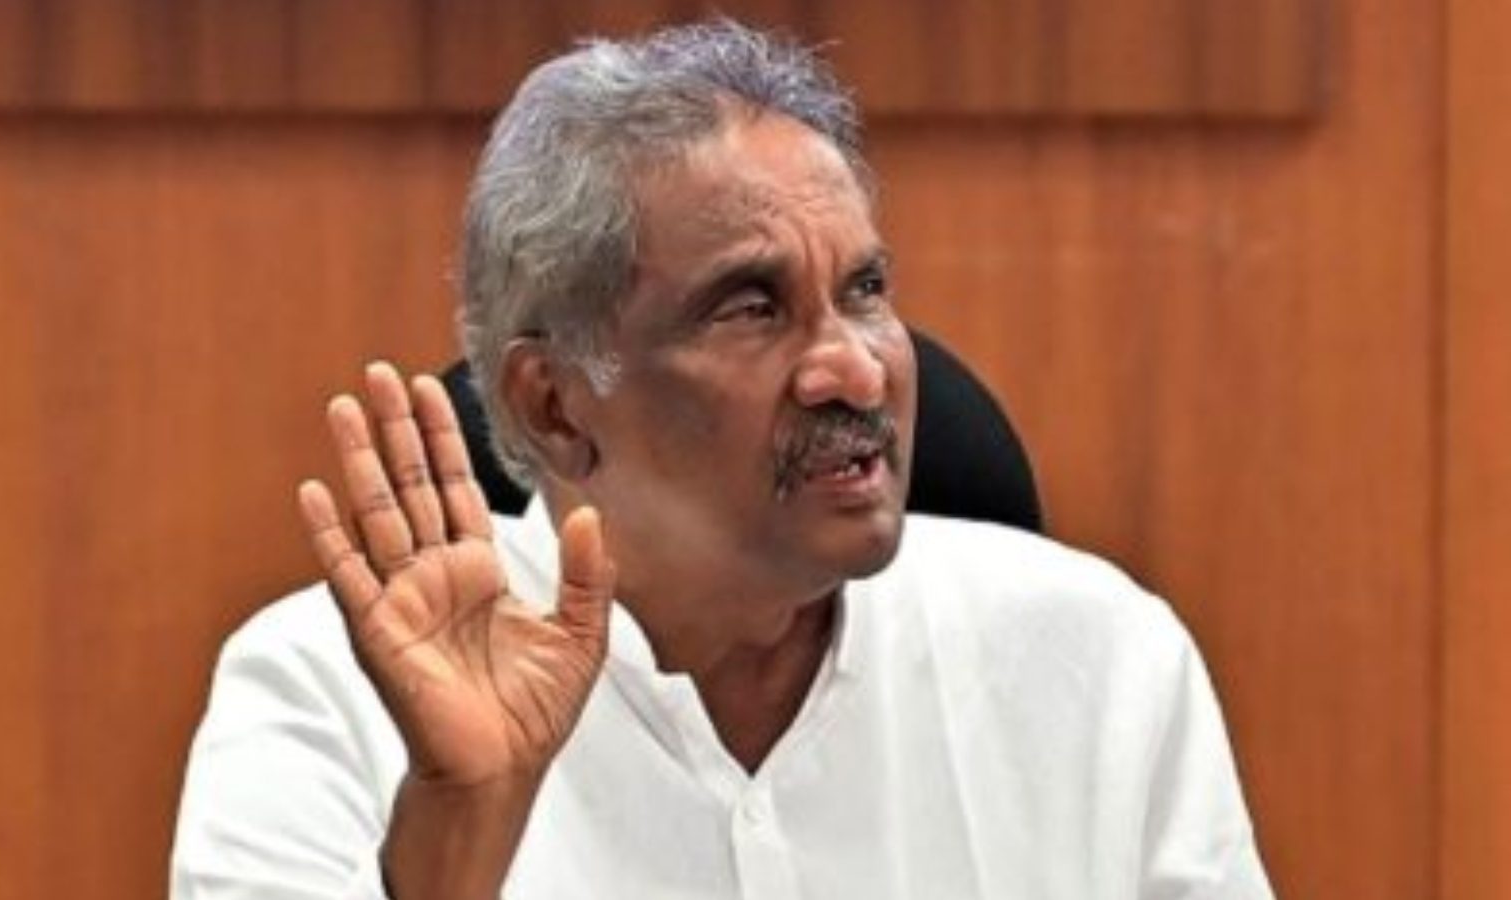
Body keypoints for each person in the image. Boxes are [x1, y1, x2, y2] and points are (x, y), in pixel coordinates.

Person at [171, 20, 1274, 900]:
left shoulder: (1098, 663)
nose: (854, 368)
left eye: (864, 291)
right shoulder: (329, 695)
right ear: (554, 405)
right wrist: (458, 827)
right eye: (750, 307)